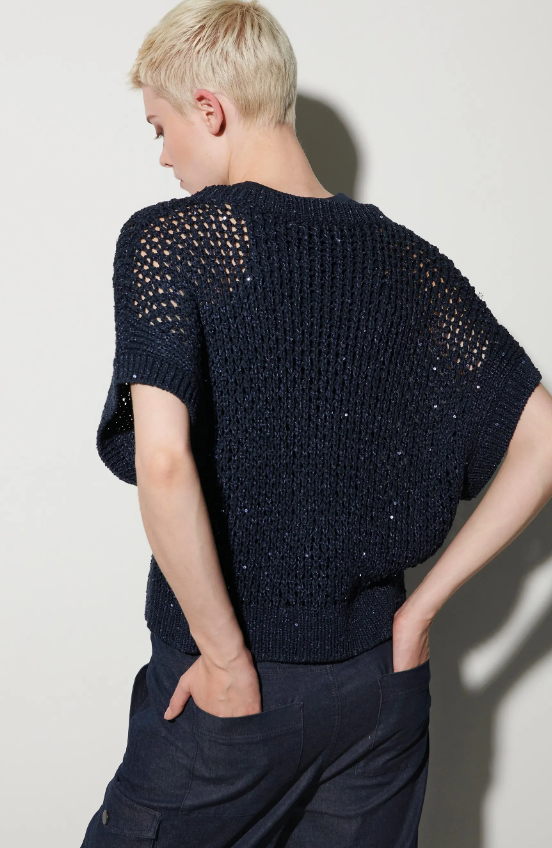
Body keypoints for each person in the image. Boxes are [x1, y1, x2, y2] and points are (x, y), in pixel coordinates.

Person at [80, 1, 552, 846]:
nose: (162, 155)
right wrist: (419, 613)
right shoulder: (412, 264)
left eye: (160, 127)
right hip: (380, 697)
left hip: (236, 695)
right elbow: (544, 438)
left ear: (209, 109)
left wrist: (224, 659)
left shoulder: (173, 242)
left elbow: (164, 463)